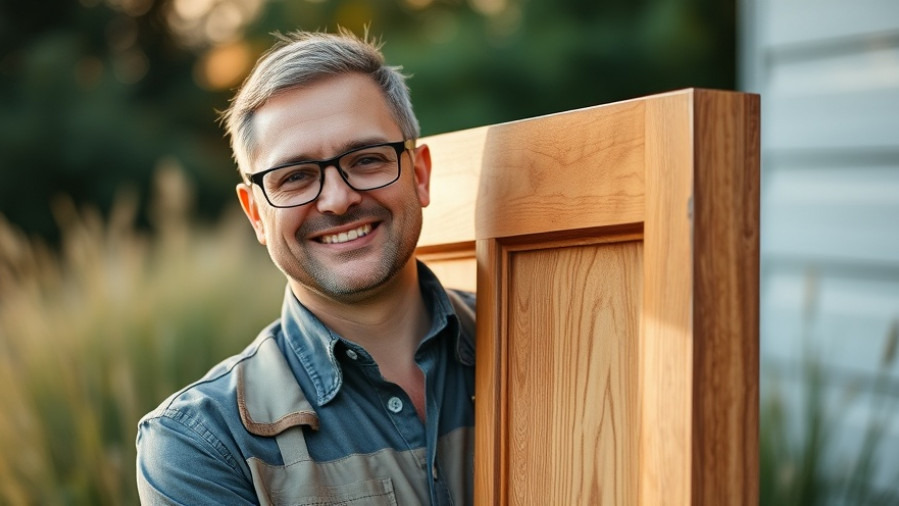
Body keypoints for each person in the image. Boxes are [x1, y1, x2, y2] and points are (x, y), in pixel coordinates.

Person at [136, 28, 476, 505]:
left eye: (367, 159)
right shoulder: (201, 443)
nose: (338, 200)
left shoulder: (541, 342)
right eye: (295, 177)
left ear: (419, 175)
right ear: (256, 213)